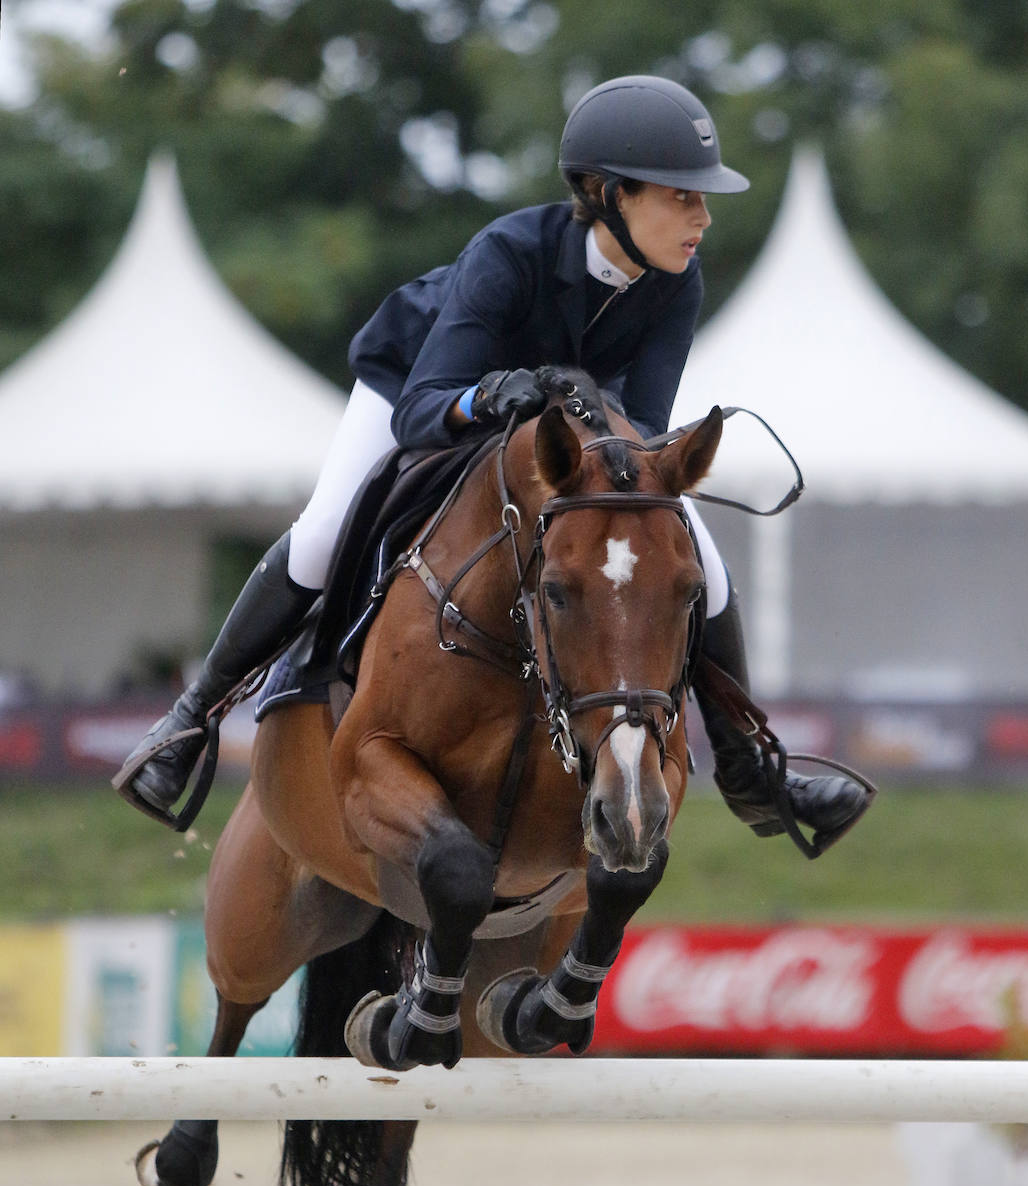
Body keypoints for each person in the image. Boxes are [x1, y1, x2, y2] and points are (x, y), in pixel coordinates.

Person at [117, 74, 868, 849]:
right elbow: (418, 412)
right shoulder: (509, 253)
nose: (701, 218)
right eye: (682, 197)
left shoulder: (675, 282)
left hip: (560, 434)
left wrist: (594, 444)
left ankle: (748, 766)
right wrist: (492, 399)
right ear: (610, 192)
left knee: (695, 557)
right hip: (419, 387)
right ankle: (189, 722)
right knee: (322, 531)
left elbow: (639, 427)